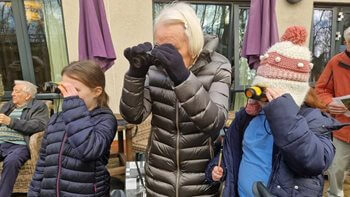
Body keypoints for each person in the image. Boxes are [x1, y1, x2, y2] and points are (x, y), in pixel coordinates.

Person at [206, 26, 342, 197]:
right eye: (261, 88)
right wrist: (218, 168)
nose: (263, 96)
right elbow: (231, 151)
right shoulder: (251, 116)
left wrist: (282, 113)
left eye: (269, 90)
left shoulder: (312, 119)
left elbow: (314, 162)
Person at [119, 2, 231, 196]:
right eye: (160, 46)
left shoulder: (219, 66)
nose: (164, 56)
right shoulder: (155, 69)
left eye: (173, 49)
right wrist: (135, 75)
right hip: (159, 176)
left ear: (193, 43)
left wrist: (183, 78)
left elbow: (214, 122)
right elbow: (133, 116)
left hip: (200, 179)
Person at [28, 60, 118, 196]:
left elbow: (89, 150)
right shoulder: (56, 119)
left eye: (75, 90)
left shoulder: (105, 119)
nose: (67, 95)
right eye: (65, 89)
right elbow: (43, 163)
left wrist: (73, 105)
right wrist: (34, 193)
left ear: (96, 91)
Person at [315, 26, 350, 197]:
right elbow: (321, 89)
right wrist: (329, 103)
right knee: (336, 170)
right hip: (342, 129)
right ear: (346, 42)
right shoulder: (336, 62)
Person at [0, 80, 49, 197]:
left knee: (12, 161)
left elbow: (39, 125)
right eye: (13, 90)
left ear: (28, 95)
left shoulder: (39, 107)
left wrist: (11, 122)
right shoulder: (8, 106)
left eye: (17, 91)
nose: (12, 94)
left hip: (19, 145)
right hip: (1, 143)